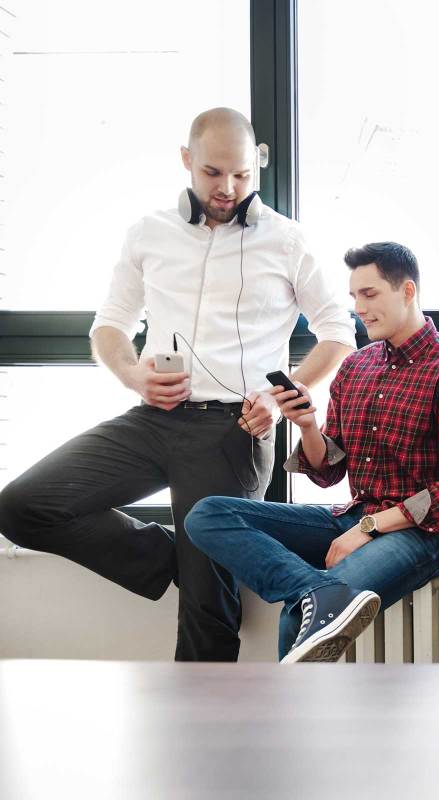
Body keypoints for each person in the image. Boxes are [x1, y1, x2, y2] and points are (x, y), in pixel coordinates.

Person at [0, 108, 355, 661]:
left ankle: (207, 745)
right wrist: (132, 374)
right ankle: (171, 556)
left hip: (233, 430)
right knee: (22, 506)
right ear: (187, 161)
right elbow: (110, 325)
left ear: (256, 163)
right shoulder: (149, 233)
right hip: (154, 419)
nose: (228, 188)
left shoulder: (287, 241)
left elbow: (338, 332)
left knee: (207, 611)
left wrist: (277, 397)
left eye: (241, 175)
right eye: (214, 173)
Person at [186, 242, 439, 663]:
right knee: (208, 514)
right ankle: (316, 590)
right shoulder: (355, 368)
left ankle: (297, 706)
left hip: (422, 536)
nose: (358, 308)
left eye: (370, 294)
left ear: (407, 291)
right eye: (354, 297)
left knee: (302, 617)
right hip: (353, 515)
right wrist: (307, 425)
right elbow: (330, 470)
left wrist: (368, 528)